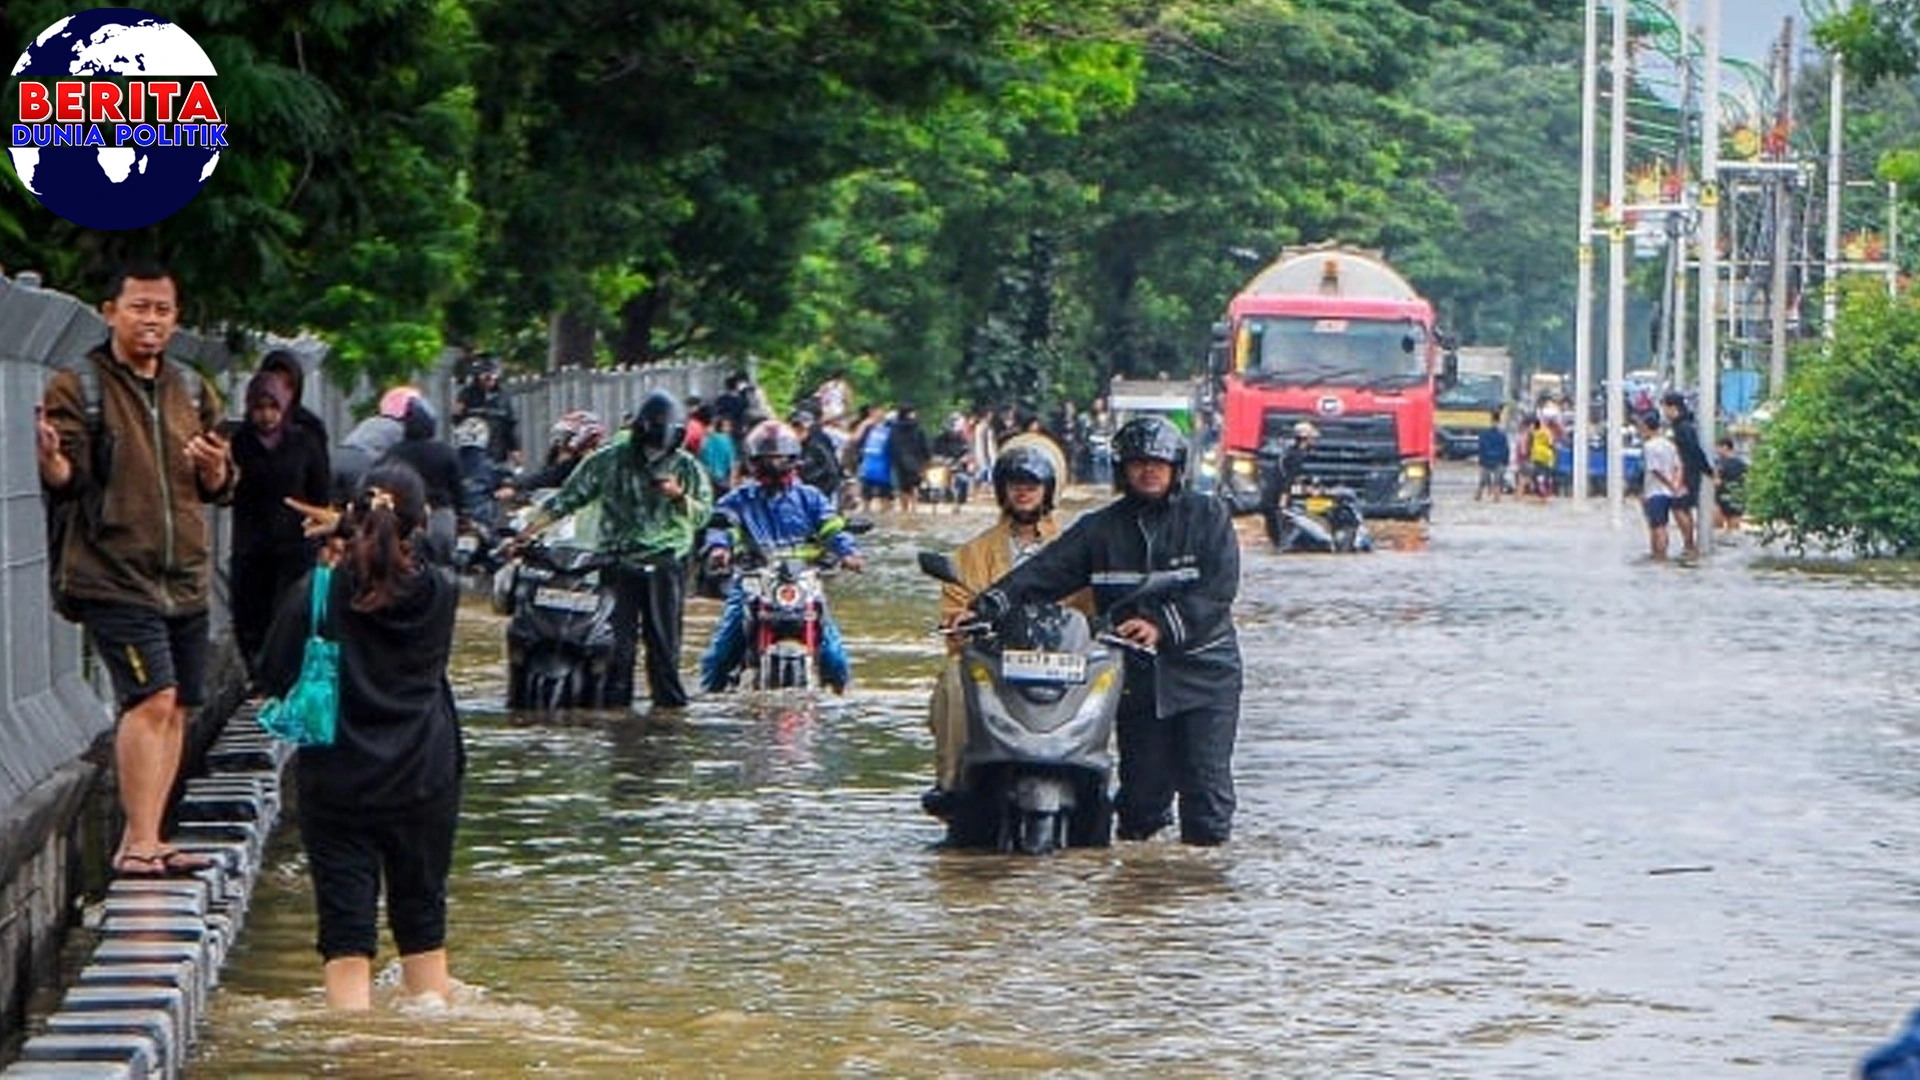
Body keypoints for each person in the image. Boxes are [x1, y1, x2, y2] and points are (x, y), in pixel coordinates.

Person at [36, 260, 235, 878]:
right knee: (152, 696)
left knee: (180, 707)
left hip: (184, 575)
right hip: (112, 571)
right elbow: (69, 479)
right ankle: (143, 841)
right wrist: (52, 462)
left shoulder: (192, 390)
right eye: (139, 307)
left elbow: (221, 486)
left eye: (163, 310)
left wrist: (214, 469)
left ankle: (145, 836)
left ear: (176, 320)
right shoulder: (81, 386)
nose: (151, 321)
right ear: (110, 311)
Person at [968, 416, 1243, 845]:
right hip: (1133, 679)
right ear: (1121, 469)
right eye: (1137, 463)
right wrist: (989, 604)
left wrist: (1159, 626)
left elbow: (1218, 591)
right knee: (1140, 803)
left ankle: (1201, 897)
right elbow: (1044, 572)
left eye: (1157, 463)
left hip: (1205, 673)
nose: (1147, 471)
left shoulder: (1208, 516)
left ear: (1176, 468)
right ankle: (1136, 895)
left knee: (1205, 796)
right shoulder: (1100, 528)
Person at [264, 464, 463, 1010]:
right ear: (419, 521)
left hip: (338, 783)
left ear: (350, 516)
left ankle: (353, 1051)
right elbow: (425, 559)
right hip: (425, 778)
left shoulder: (320, 592)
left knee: (346, 938)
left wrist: (333, 555)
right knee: (423, 926)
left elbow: (274, 671)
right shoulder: (442, 593)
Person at [922, 441, 1089, 817]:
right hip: (995, 662)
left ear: (1049, 489)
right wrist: (960, 623)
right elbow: (954, 613)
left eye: (1032, 483)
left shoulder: (1076, 547)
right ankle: (951, 782)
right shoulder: (971, 554)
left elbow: (1094, 605)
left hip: (1061, 664)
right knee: (952, 677)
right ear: (1001, 489)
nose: (1023, 491)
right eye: (1015, 483)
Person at [519, 390, 712, 709]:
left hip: (665, 565)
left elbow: (703, 514)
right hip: (617, 563)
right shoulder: (608, 460)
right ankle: (615, 717)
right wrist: (526, 533)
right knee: (615, 651)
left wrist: (678, 497)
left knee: (664, 651)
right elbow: (567, 499)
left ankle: (668, 715)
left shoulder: (687, 467)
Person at [699, 421, 864, 693]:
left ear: (792, 459)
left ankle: (840, 701)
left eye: (779, 457)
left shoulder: (810, 498)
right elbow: (722, 527)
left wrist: (848, 553)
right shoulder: (738, 499)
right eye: (767, 458)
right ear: (753, 461)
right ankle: (703, 704)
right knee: (720, 654)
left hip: (805, 584)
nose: (773, 463)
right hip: (752, 583)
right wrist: (720, 549)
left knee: (835, 657)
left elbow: (831, 527)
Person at [228, 366, 332, 677]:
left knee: (288, 615)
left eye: (273, 407)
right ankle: (259, 675)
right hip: (251, 545)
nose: (266, 416)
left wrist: (324, 538)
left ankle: (284, 675)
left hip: (295, 545)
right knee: (250, 615)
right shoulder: (239, 443)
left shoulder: (303, 441)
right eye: (259, 408)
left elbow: (320, 490)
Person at [377, 389, 465, 565]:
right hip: (440, 515)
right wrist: (462, 513)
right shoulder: (446, 452)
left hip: (403, 518)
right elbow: (458, 488)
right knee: (444, 565)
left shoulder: (394, 453)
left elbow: (379, 480)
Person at [497, 409, 607, 499]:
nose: (561, 443)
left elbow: (550, 476)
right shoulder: (566, 459)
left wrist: (516, 486)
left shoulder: (591, 462)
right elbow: (547, 474)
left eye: (567, 436)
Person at [1661, 391, 1715, 559]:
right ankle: (1690, 544)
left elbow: (1694, 450)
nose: (1664, 412)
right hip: (1686, 472)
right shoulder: (1681, 426)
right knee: (1682, 507)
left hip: (1687, 474)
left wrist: (1708, 470)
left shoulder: (1683, 427)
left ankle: (1689, 544)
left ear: (1672, 407)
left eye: (1665, 408)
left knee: (1678, 507)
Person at [451, 354, 520, 468]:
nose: (490, 381)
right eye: (486, 377)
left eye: (493, 377)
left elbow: (510, 425)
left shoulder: (503, 396)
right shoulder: (467, 394)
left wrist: (515, 449)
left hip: (497, 453)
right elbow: (457, 421)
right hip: (473, 454)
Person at [1635, 414, 1681, 562]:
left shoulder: (1649, 446)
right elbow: (1678, 466)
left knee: (1657, 526)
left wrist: (1669, 484)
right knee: (1661, 524)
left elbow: (1654, 470)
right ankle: (1659, 555)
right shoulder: (1670, 445)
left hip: (1655, 491)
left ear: (1647, 428)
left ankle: (1660, 557)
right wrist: (1675, 484)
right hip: (1668, 493)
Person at [889, 403, 931, 513]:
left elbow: (891, 445)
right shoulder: (917, 428)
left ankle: (904, 510)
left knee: (902, 489)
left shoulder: (893, 428)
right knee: (914, 487)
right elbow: (924, 447)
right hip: (915, 462)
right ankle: (914, 509)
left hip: (899, 463)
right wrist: (927, 462)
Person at [1714, 435, 1749, 533]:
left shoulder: (1719, 464)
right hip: (1736, 497)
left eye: (1718, 447)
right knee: (1733, 530)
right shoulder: (1742, 464)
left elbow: (1717, 481)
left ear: (1725, 447)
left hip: (1723, 497)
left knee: (1718, 529)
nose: (1716, 450)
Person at [1475, 411, 1510, 502]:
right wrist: (1505, 462)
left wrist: (1481, 461)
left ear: (1491, 421)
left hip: (1486, 460)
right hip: (1498, 461)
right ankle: (1496, 499)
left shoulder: (1484, 434)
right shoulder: (1502, 435)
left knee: (1482, 482)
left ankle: (1479, 497)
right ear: (1499, 422)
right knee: (1497, 482)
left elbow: (1480, 448)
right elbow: (1506, 450)